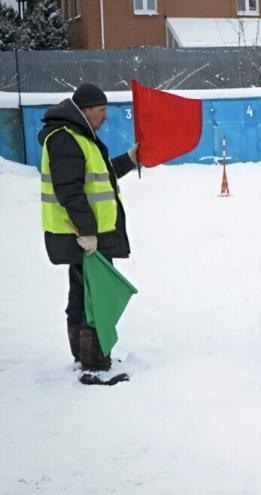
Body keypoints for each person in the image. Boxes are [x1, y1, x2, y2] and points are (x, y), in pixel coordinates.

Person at [38, 83, 140, 380]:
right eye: (101, 110)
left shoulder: (79, 137)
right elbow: (69, 190)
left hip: (88, 234)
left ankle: (84, 356)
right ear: (84, 111)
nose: (105, 116)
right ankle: (95, 364)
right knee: (97, 296)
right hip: (83, 235)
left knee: (83, 292)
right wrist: (88, 232)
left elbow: (100, 174)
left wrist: (130, 160)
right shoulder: (66, 139)